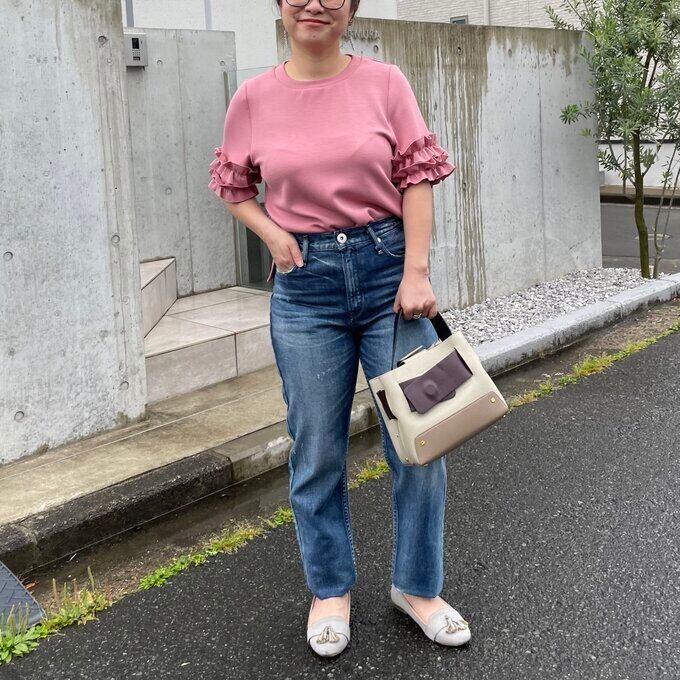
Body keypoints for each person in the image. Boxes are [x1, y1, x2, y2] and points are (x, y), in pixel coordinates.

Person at [208, 0, 470, 657]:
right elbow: (233, 185)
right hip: (305, 290)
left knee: (421, 436)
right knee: (317, 447)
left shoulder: (386, 83)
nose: (314, 4)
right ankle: (329, 591)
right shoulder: (253, 97)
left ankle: (418, 587)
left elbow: (416, 178)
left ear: (350, 8)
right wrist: (273, 233)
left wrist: (416, 271)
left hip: (389, 280)